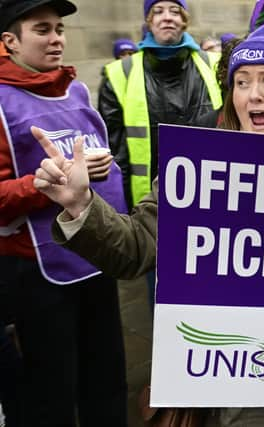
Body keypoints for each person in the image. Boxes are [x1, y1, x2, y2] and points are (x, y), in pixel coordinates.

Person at [31, 20, 264, 427]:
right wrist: (80, 205)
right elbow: (136, 246)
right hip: (235, 396)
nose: (254, 95)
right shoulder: (200, 170)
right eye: (242, 83)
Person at [0, 0, 129, 425]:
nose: (57, 38)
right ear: (9, 41)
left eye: (59, 28)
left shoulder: (77, 90)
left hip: (95, 257)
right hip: (37, 274)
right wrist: (47, 183)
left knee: (107, 380)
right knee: (51, 393)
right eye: (42, 29)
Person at [99, 0, 223, 210]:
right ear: (149, 21)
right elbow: (115, 152)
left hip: (209, 194)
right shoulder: (119, 73)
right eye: (158, 11)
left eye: (175, 11)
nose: (167, 17)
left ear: (184, 20)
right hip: (147, 203)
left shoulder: (215, 65)